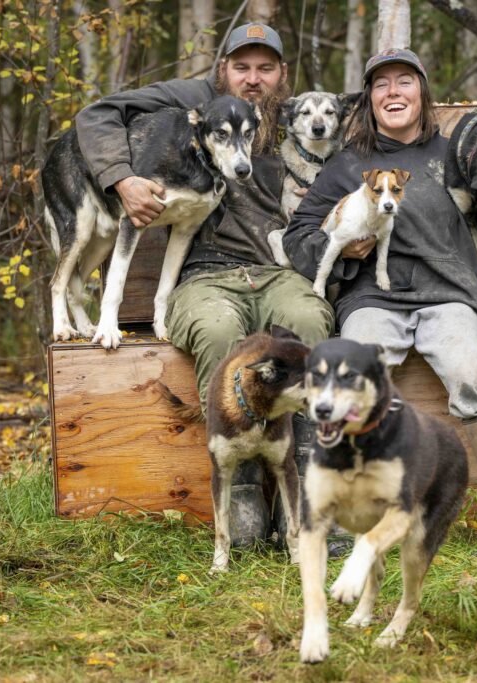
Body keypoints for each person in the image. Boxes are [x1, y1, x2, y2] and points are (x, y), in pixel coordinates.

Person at [283, 48, 477, 562]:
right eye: (381, 85)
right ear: (369, 100)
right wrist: (343, 249)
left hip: (451, 295)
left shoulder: (461, 156)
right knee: (345, 381)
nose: (393, 92)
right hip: (373, 298)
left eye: (404, 81)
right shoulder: (348, 166)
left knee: (468, 374)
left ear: (423, 93)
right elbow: (299, 237)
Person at [75, 24, 333, 548]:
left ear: (282, 76)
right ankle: (238, 492)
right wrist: (122, 178)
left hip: (276, 269)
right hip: (202, 274)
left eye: (265, 69)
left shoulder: (302, 119)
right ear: (223, 71)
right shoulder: (192, 101)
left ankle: (303, 490)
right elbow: (95, 116)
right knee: (217, 333)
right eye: (242, 67)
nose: (253, 79)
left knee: (309, 322)